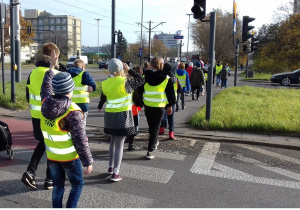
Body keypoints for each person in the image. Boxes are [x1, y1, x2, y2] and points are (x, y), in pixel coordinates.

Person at [40, 50, 93, 208]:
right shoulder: (73, 112)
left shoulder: (46, 103)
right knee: (77, 184)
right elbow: (80, 140)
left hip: (52, 156)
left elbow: (45, 88)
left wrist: (51, 69)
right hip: (70, 158)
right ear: (70, 89)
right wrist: (87, 161)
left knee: (58, 187)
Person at [98, 58, 144, 181]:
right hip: (122, 116)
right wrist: (129, 70)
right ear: (121, 68)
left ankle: (110, 167)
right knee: (120, 144)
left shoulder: (105, 83)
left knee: (112, 141)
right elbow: (141, 80)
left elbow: (104, 97)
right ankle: (116, 172)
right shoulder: (126, 82)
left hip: (109, 116)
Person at [22, 42, 60, 190]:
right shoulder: (55, 74)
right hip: (52, 116)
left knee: (44, 143)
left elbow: (27, 95)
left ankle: (31, 172)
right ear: (54, 56)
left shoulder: (33, 73)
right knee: (52, 146)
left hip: (36, 115)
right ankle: (48, 178)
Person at [137, 57, 176, 159]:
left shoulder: (145, 77)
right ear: (161, 65)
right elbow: (171, 96)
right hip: (159, 107)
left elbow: (139, 91)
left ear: (151, 65)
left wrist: (141, 102)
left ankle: (154, 141)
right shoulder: (167, 79)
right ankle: (150, 150)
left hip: (148, 106)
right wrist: (169, 106)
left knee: (151, 126)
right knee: (155, 128)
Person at [67, 59, 96, 126]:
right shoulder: (84, 74)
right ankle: (81, 135)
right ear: (83, 67)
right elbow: (92, 85)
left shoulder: (68, 73)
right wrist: (92, 87)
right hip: (82, 103)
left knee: (70, 122)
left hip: (70, 103)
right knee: (82, 122)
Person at [159, 63, 180, 140]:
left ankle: (161, 129)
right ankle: (171, 132)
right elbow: (179, 89)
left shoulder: (162, 77)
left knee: (161, 115)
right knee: (171, 116)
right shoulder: (175, 78)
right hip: (172, 100)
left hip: (163, 99)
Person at [126, 66, 144, 151]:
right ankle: (130, 145)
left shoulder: (122, 82)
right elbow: (141, 79)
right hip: (133, 109)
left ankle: (123, 141)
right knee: (132, 127)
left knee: (126, 127)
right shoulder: (132, 83)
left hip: (123, 109)